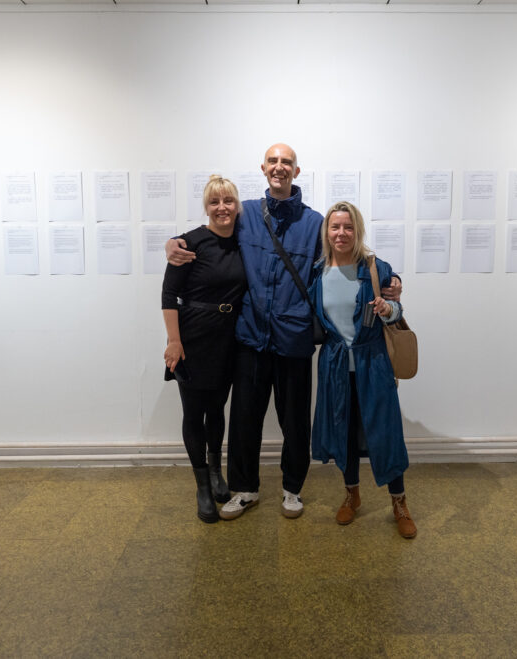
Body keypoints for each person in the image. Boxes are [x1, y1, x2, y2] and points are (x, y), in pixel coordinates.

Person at [167, 143, 402, 522]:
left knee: (294, 422)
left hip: (293, 339)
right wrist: (173, 242)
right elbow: (211, 232)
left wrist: (391, 279)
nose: (279, 167)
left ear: (296, 171)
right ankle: (245, 489)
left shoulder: (315, 223)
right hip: (250, 337)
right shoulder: (244, 215)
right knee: (244, 419)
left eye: (286, 162)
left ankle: (292, 489)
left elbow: (346, 255)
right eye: (273, 161)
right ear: (264, 168)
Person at [309, 201, 416, 538]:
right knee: (345, 431)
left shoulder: (375, 267)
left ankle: (399, 502)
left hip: (374, 363)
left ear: (358, 231)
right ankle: (351, 494)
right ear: (327, 232)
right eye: (335, 227)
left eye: (348, 227)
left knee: (386, 432)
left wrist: (388, 308)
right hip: (335, 365)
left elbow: (397, 310)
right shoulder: (317, 273)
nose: (341, 233)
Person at [162, 175, 246, 523]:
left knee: (217, 409)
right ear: (206, 207)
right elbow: (169, 294)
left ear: (237, 205)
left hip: (230, 340)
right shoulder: (190, 243)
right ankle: (201, 486)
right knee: (194, 413)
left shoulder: (245, 239)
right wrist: (174, 341)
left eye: (228, 201)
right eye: (214, 202)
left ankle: (215, 471)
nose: (222, 208)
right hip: (193, 339)